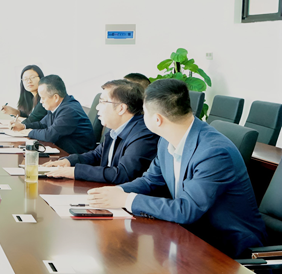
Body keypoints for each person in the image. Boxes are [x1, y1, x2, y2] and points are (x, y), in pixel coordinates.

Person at [87, 79, 267, 258]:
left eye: (144, 113)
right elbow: (150, 180)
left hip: (227, 249)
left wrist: (126, 200)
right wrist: (116, 192)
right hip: (191, 238)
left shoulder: (213, 153)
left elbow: (186, 209)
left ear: (157, 120)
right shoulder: (166, 140)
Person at [44, 79, 159, 184]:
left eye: (102, 102)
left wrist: (75, 171)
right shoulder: (115, 129)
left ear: (121, 108)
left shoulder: (143, 135)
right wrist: (68, 161)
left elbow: (123, 174)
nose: (97, 107)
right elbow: (97, 155)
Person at [12, 74, 96, 154]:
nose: (41, 101)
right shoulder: (57, 107)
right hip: (64, 151)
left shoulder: (70, 111)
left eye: (43, 98)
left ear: (55, 97)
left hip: (78, 156)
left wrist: (29, 132)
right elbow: (42, 124)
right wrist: (24, 126)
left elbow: (50, 135)